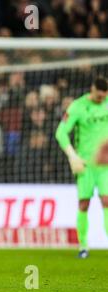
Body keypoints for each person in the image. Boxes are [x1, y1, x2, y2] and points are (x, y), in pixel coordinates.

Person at [55, 77, 108, 259]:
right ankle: (83, 245)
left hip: (105, 165)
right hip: (84, 165)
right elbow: (61, 132)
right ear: (92, 89)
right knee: (84, 203)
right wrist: (72, 155)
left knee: (106, 200)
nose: (101, 99)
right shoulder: (77, 106)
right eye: (98, 97)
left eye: (104, 97)